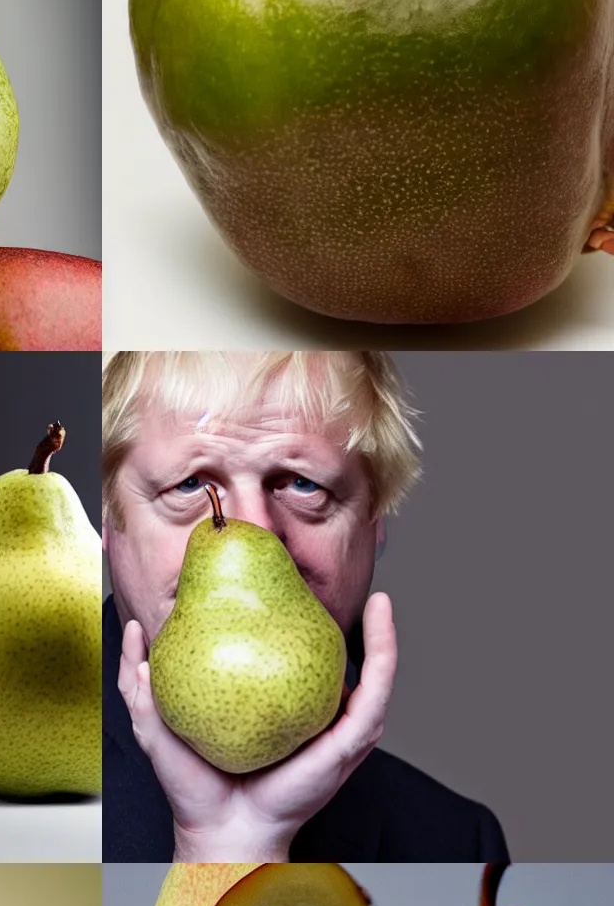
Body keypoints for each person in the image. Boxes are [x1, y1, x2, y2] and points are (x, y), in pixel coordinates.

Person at [103, 351, 508, 863]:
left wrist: (247, 837)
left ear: (375, 518)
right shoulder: (25, 819)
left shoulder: (459, 843)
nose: (250, 534)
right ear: (107, 517)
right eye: (190, 485)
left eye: (302, 484)